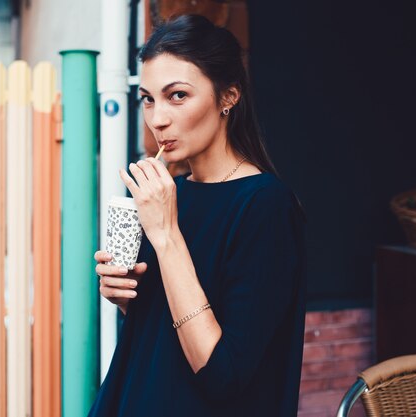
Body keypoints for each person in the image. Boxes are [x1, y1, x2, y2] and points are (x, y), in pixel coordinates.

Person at [88, 14, 307, 417]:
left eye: (177, 96)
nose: (157, 119)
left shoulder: (265, 206)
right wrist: (127, 299)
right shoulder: (173, 196)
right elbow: (161, 339)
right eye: (149, 98)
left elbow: (221, 375)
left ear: (228, 97)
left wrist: (166, 234)